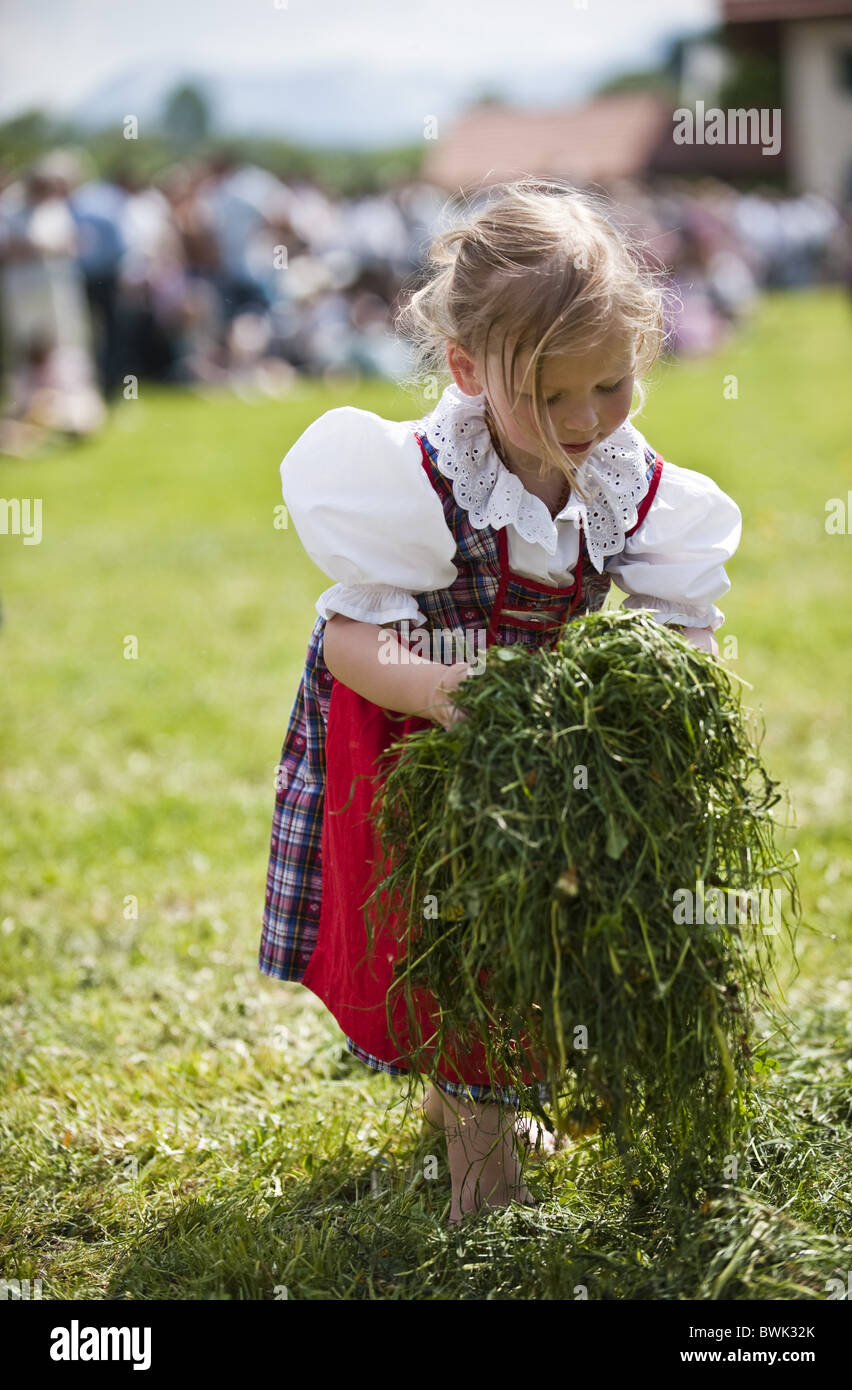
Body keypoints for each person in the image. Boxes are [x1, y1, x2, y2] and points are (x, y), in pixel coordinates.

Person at [259, 178, 742, 1226]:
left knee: (545, 918)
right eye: (550, 397)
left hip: (539, 741)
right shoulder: (419, 482)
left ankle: (481, 1096)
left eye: (609, 387)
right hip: (421, 734)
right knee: (454, 942)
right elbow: (350, 638)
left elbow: (683, 614)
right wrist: (444, 690)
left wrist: (670, 681)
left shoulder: (625, 477)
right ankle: (479, 1170)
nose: (583, 423)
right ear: (471, 371)